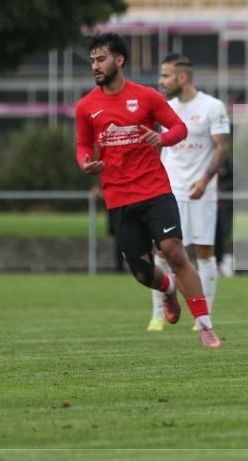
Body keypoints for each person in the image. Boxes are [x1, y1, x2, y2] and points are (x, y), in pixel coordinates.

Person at [75, 32, 220, 347]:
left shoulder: (147, 97)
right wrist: (85, 162)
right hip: (118, 197)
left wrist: (161, 138)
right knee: (142, 273)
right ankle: (168, 289)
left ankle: (205, 325)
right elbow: (83, 144)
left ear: (119, 60)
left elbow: (179, 128)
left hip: (155, 190)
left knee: (174, 251)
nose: (95, 66)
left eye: (101, 59)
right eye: (92, 61)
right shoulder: (86, 106)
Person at [148, 54, 230, 332]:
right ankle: (158, 315)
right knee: (161, 251)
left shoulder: (212, 107)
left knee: (204, 253)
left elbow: (221, 147)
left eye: (165, 76)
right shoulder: (164, 108)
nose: (161, 81)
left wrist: (205, 180)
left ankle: (203, 317)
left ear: (181, 78)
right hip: (168, 192)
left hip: (200, 192)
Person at [215, 156, 235, 278]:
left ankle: (226, 262)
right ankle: (216, 263)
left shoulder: (228, 162)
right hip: (210, 206)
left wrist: (221, 190)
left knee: (225, 234)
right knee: (213, 236)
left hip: (225, 206)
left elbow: (234, 181)